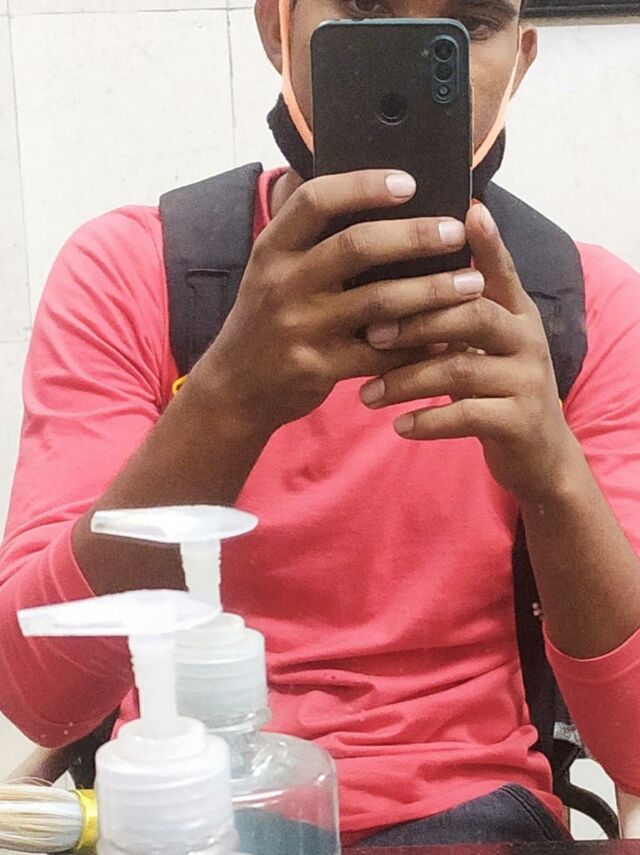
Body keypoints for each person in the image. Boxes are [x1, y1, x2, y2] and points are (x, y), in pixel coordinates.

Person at [2, 0, 640, 845]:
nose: (411, 47)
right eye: (365, 7)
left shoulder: (586, 313)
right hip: (195, 806)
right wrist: (229, 400)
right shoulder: (132, 275)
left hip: (471, 818)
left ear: (519, 64)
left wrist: (553, 470)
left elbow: (634, 748)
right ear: (277, 27)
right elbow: (38, 689)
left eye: (471, 21)